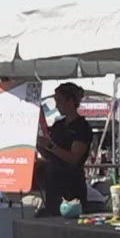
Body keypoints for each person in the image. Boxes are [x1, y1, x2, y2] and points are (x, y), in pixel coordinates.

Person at [38, 82, 92, 213]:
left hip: (72, 186)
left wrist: (50, 146)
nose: (56, 105)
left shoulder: (82, 127)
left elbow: (74, 158)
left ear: (70, 101)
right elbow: (49, 155)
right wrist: (39, 145)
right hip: (53, 185)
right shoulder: (58, 125)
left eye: (59, 101)